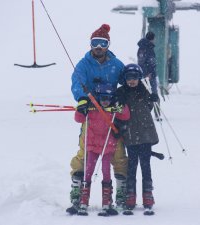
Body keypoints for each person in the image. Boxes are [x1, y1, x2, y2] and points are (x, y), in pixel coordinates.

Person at [67, 24, 127, 215]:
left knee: (117, 154)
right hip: (91, 116)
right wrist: (82, 99)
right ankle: (77, 192)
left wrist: (121, 100)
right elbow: (77, 83)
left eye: (103, 43)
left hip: (110, 118)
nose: (99, 47)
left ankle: (121, 194)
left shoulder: (116, 65)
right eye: (95, 43)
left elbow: (128, 83)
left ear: (108, 45)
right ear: (90, 45)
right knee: (84, 153)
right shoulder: (83, 64)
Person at [75, 83, 130, 216]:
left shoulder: (113, 110)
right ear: (98, 97)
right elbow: (78, 118)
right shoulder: (92, 108)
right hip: (93, 145)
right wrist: (81, 108)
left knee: (106, 171)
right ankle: (83, 201)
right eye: (102, 98)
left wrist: (121, 106)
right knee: (88, 171)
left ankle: (107, 202)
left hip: (107, 145)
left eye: (108, 98)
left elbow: (126, 115)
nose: (105, 101)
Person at [115, 64, 159, 215]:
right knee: (132, 166)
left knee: (145, 165)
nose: (132, 81)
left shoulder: (145, 89)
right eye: (129, 78)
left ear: (139, 78)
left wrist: (154, 98)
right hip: (131, 134)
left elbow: (149, 106)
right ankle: (130, 196)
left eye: (134, 78)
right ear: (125, 79)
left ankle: (148, 196)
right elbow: (118, 110)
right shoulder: (121, 92)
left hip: (146, 133)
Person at [137, 31, 161, 121]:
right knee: (153, 94)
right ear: (152, 38)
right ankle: (155, 114)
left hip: (146, 75)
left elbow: (142, 62)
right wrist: (149, 73)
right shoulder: (147, 48)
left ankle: (147, 114)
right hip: (149, 76)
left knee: (147, 94)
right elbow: (146, 63)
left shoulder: (143, 48)